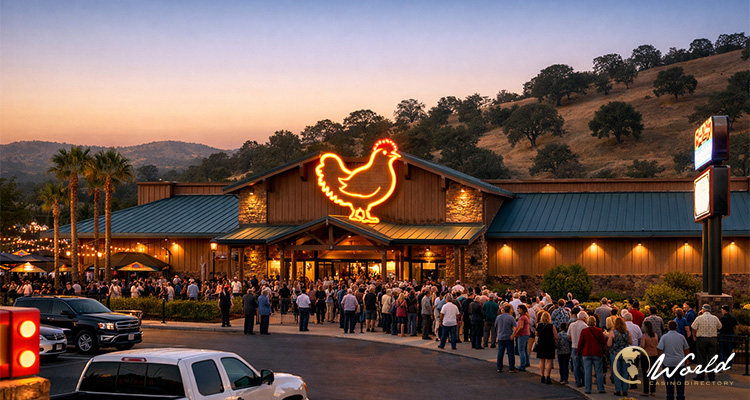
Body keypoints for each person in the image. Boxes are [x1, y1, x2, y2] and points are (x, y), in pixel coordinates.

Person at [658, 321, 690, 400]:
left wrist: (660, 360)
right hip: (680, 362)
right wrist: (686, 360)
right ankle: (680, 397)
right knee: (680, 382)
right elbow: (686, 349)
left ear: (668, 327)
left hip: (667, 362)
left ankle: (670, 397)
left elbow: (660, 349)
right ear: (676, 327)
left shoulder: (664, 337)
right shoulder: (681, 337)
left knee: (669, 383)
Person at [691, 304, 722, 381]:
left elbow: (693, 327)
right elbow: (720, 327)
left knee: (701, 357)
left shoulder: (699, 318)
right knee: (712, 357)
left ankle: (701, 376)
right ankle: (711, 376)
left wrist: (694, 336)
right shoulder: (715, 318)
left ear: (703, 310)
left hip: (701, 339)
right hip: (713, 339)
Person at [578, 316, 606, 395]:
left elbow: (581, 342)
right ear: (595, 322)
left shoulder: (584, 331)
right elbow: (603, 342)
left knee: (587, 371)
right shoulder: (599, 331)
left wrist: (578, 352)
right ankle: (600, 388)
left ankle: (588, 389)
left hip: (586, 352)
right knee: (599, 371)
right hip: (597, 352)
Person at [607, 317, 632, 397]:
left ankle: (618, 390)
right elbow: (630, 342)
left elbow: (609, 344)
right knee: (625, 372)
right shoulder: (627, 332)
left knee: (616, 372)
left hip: (615, 353)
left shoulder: (613, 332)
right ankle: (625, 390)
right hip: (625, 353)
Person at [535, 310, 558, 384]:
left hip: (541, 343)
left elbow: (536, 334)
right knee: (549, 360)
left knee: (542, 360)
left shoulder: (538, 325)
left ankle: (542, 376)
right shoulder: (551, 326)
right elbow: (556, 336)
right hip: (549, 343)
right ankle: (548, 376)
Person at [567, 311, 589, 388]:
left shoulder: (572, 325)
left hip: (574, 346)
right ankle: (585, 381)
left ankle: (578, 381)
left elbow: (568, 336)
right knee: (584, 365)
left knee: (576, 365)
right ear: (584, 318)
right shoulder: (585, 326)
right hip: (583, 347)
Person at [494, 304, 517, 372]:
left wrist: (497, 334)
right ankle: (511, 367)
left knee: (500, 352)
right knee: (510, 353)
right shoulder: (511, 318)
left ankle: (499, 367)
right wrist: (513, 335)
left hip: (500, 336)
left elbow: (496, 326)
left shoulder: (498, 317)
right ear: (510, 310)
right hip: (508, 337)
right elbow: (515, 327)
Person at [639, 320, 659, 397]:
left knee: (646, 374)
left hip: (646, 355)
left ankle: (646, 391)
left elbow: (643, 345)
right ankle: (652, 390)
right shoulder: (655, 335)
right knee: (653, 373)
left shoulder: (644, 336)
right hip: (654, 354)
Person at [514, 304, 531, 370]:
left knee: (521, 350)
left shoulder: (522, 317)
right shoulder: (526, 316)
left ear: (522, 309)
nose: (517, 310)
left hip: (522, 334)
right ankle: (527, 362)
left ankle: (522, 365)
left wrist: (516, 333)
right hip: (526, 334)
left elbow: (521, 326)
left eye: (518, 308)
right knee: (525, 349)